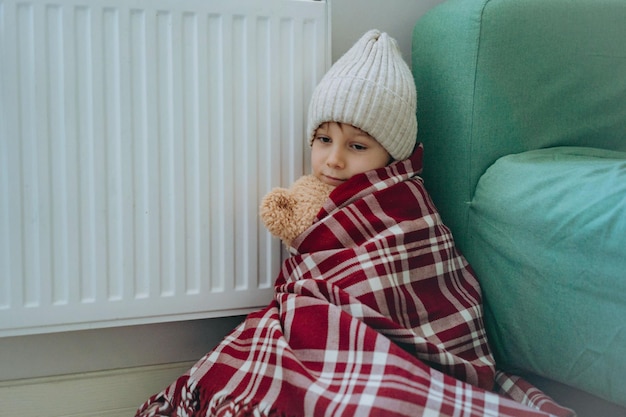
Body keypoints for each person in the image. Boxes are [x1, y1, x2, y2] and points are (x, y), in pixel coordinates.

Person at [137, 30, 574, 417]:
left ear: (393, 155)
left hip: (408, 341)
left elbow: (421, 284)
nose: (334, 159)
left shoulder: (404, 206)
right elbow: (313, 276)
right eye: (324, 139)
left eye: (357, 145)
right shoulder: (321, 199)